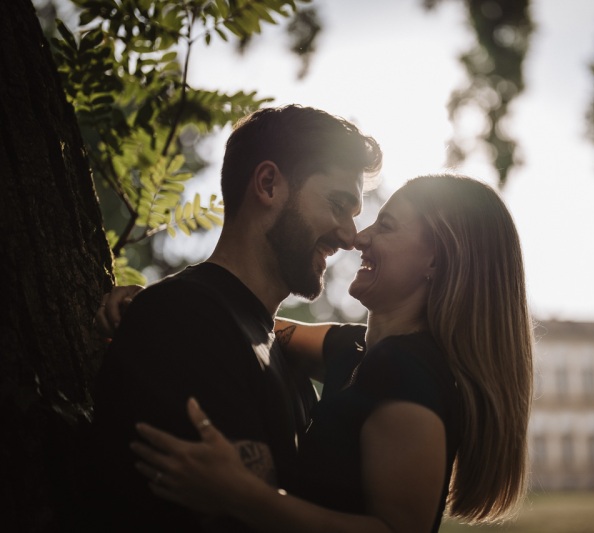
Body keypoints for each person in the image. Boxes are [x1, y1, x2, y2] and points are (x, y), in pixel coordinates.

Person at [103, 174, 534, 531]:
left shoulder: (407, 373)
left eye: (385, 226)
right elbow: (242, 319)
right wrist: (160, 299)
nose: (360, 238)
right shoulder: (355, 349)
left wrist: (242, 493)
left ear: (437, 261)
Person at [85, 104, 382, 531]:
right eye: (338, 204)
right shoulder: (179, 319)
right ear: (267, 184)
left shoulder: (271, 346)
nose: (351, 236)